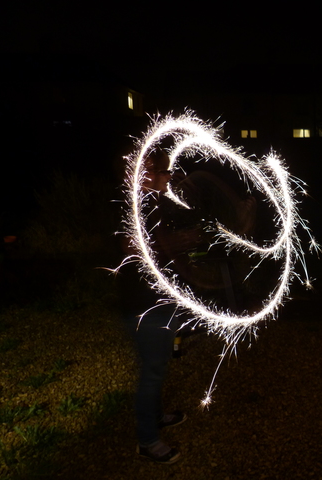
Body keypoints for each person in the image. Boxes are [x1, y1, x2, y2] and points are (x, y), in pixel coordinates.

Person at [119, 149, 191, 464]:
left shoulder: (156, 205)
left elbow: (165, 245)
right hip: (143, 305)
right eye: (163, 172)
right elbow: (133, 247)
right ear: (145, 173)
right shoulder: (132, 206)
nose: (168, 177)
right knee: (152, 371)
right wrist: (180, 241)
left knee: (160, 363)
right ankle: (147, 440)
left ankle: (157, 415)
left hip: (160, 300)